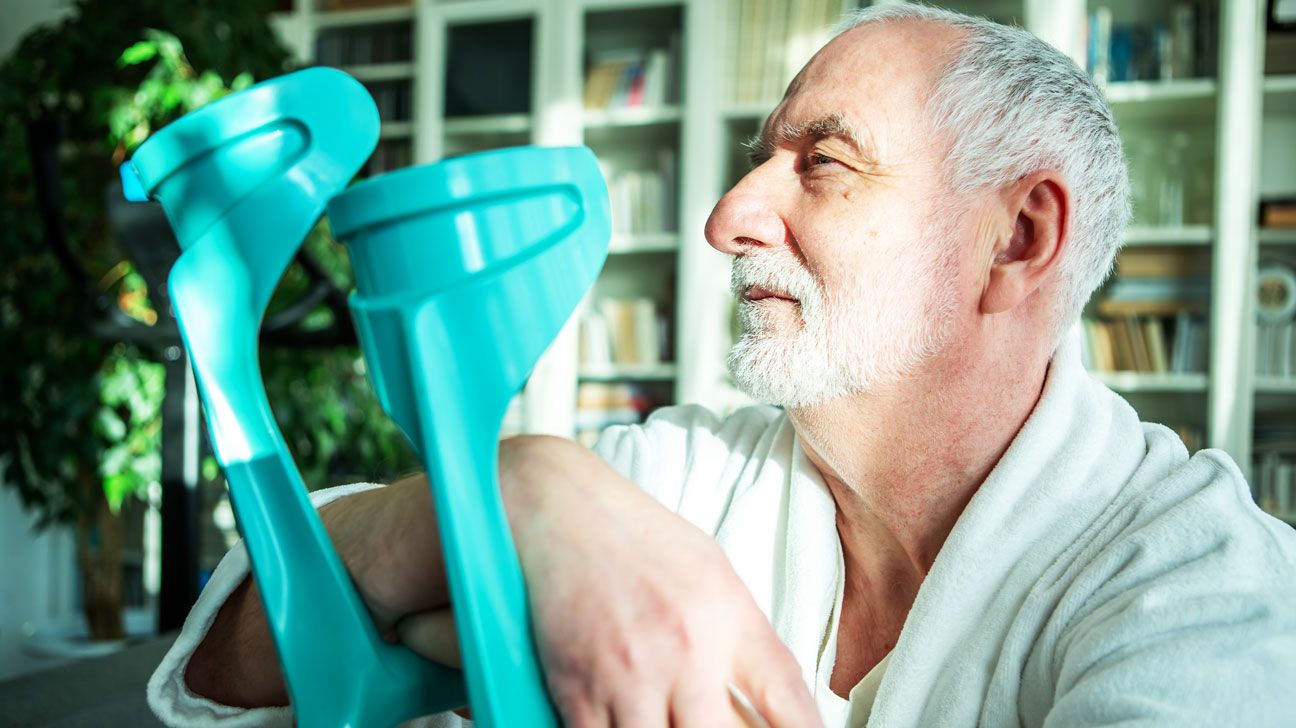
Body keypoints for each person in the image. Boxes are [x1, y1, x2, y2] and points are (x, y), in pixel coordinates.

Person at [149, 5, 1296, 727]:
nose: (728, 215)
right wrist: (518, 488)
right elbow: (240, 666)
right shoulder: (688, 470)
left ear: (1018, 238)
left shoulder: (1208, 592)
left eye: (825, 163)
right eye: (759, 161)